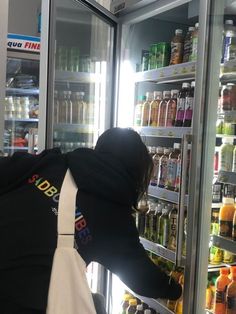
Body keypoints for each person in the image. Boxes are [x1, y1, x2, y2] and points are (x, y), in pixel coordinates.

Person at [0, 127, 182, 313]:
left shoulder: (49, 162)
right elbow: (142, 277)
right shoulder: (112, 212)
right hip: (22, 301)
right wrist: (175, 288)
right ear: (137, 170)